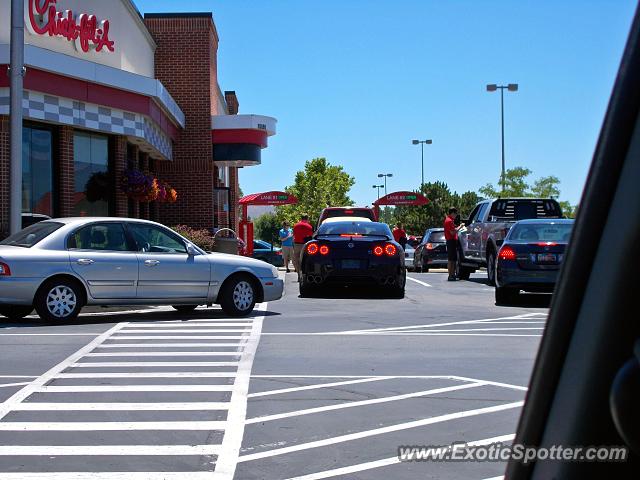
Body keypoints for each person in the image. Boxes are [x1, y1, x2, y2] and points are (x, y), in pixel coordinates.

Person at [292, 214, 314, 279]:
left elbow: (294, 235)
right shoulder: (309, 226)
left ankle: (299, 274)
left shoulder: (295, 226)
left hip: (296, 245)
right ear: (307, 219)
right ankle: (304, 274)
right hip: (305, 245)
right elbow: (311, 236)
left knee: (296, 260)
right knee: (304, 260)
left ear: (301, 218)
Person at [444, 207, 462, 281]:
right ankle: (451, 275)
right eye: (455, 214)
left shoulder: (449, 220)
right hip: (451, 241)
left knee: (452, 259)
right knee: (452, 260)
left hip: (450, 241)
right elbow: (452, 232)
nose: (455, 216)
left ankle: (452, 274)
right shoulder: (449, 221)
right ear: (452, 213)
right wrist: (460, 226)